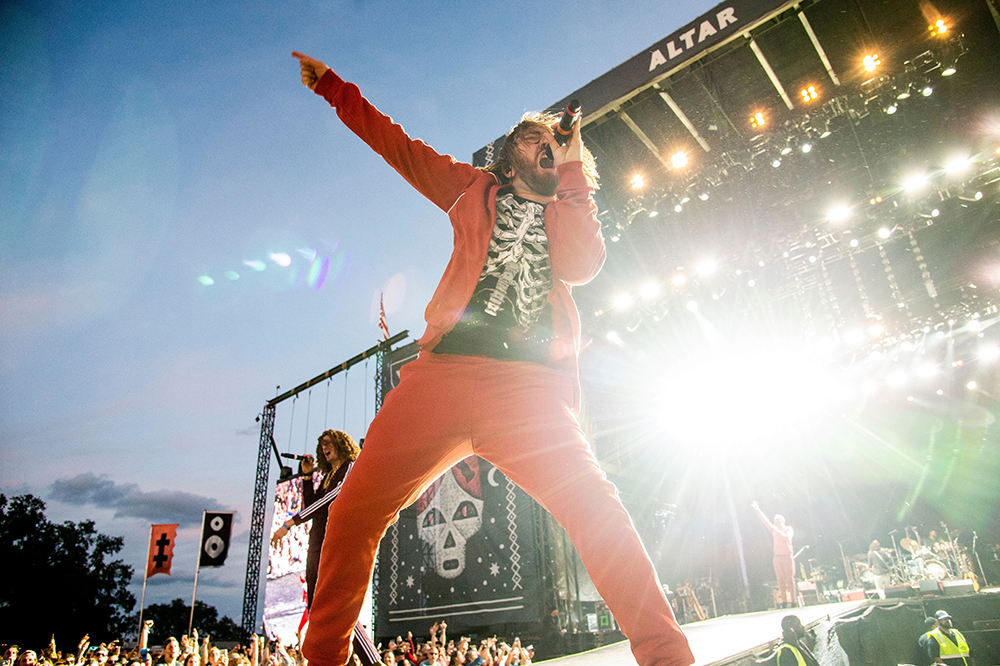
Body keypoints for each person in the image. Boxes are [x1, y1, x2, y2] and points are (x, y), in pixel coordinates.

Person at [290, 51, 694, 666]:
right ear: (509, 155)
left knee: (600, 515)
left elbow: (585, 264)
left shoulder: (564, 207)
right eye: (532, 139)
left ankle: (668, 657)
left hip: (527, 394)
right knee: (351, 516)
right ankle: (323, 658)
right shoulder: (470, 190)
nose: (544, 145)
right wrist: (335, 89)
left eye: (550, 142)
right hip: (443, 379)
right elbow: (398, 146)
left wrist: (574, 169)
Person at [270, 430, 379, 666]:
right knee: (316, 605)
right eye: (322, 445)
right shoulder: (328, 475)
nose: (325, 447)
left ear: (341, 445)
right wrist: (307, 478)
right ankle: (347, 661)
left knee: (336, 606)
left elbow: (327, 501)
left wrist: (289, 523)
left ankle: (371, 661)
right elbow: (311, 505)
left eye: (329, 443)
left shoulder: (349, 467)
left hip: (335, 541)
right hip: (317, 543)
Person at [752, 501, 796, 608]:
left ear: (783, 521)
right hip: (777, 558)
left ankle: (793, 601)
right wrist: (758, 509)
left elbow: (787, 538)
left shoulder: (788, 529)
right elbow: (765, 521)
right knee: (780, 580)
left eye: (779, 520)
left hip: (787, 557)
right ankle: (784, 601)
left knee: (790, 579)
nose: (777, 522)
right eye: (776, 521)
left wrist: (777, 530)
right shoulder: (774, 530)